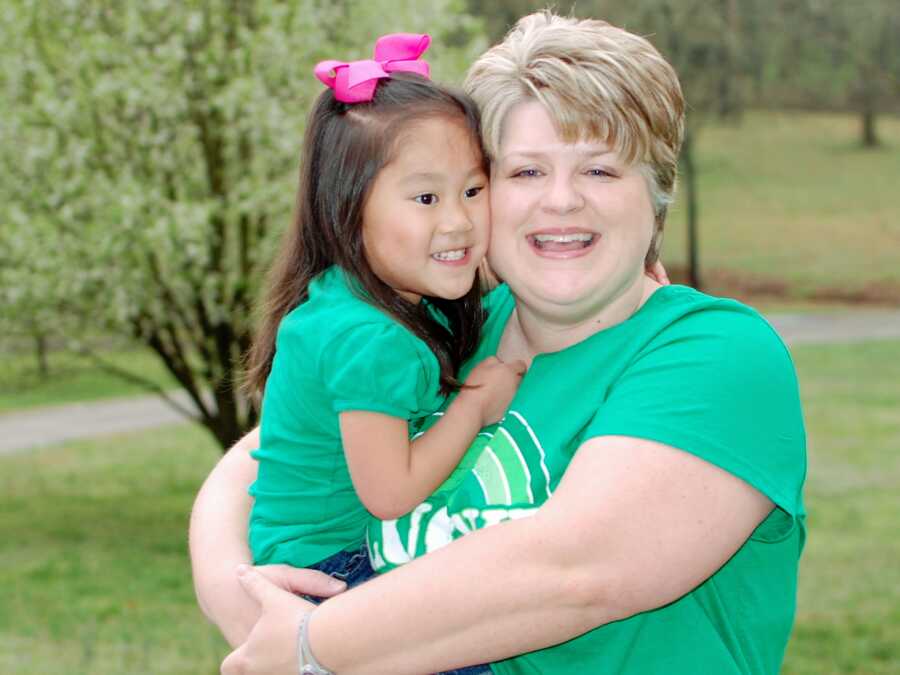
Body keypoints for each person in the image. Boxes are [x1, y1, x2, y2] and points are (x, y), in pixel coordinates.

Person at [190, 11, 806, 675]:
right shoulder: (456, 323)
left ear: (655, 194)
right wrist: (247, 602)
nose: (562, 201)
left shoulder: (715, 354)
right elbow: (263, 454)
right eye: (525, 173)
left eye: (600, 171)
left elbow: (574, 569)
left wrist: (312, 643)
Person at [242, 32, 525, 600]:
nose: (458, 222)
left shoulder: (365, 297)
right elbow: (391, 493)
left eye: (472, 190)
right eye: (426, 199)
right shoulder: (368, 337)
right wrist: (473, 405)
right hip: (331, 570)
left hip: (345, 554)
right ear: (349, 212)